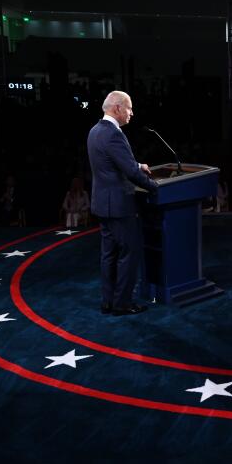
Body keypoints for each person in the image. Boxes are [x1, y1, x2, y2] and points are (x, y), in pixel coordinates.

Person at [87, 91, 158, 316]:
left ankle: (108, 301)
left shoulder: (95, 131)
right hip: (119, 205)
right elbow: (129, 173)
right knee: (130, 252)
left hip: (102, 204)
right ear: (117, 108)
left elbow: (112, 162)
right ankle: (123, 303)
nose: (131, 113)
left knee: (109, 254)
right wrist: (156, 187)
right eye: (129, 108)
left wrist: (137, 164)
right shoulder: (114, 134)